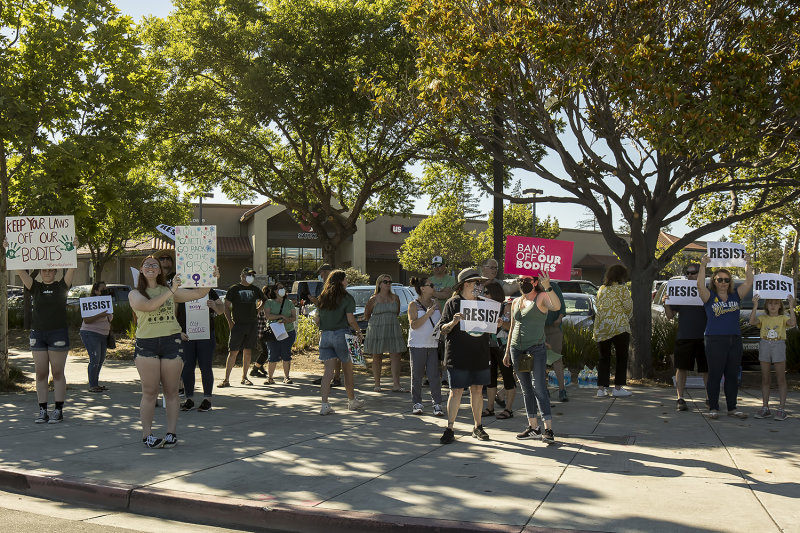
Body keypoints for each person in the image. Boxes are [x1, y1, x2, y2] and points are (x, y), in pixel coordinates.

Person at [128, 256, 217, 448]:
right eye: (147, 264)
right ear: (141, 270)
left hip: (171, 342)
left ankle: (171, 433)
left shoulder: (170, 290)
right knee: (150, 392)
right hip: (146, 345)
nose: (151, 267)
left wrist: (211, 278)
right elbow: (149, 306)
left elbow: (199, 293)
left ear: (160, 271)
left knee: (172, 392)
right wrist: (171, 291)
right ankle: (147, 435)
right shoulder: (135, 293)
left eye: (155, 265)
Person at [7, 249, 77, 424]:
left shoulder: (62, 286)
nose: (46, 272)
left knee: (58, 372)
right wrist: (10, 247)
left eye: (50, 269)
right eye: (44, 270)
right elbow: (19, 270)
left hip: (58, 333)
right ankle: (42, 410)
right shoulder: (35, 287)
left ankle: (58, 410)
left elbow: (71, 267)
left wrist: (73, 247)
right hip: (38, 334)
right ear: (40, 271)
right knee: (40, 374)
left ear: (55, 271)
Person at [437, 268, 499, 444]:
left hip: (479, 353)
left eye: (480, 283)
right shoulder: (453, 303)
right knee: (456, 391)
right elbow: (442, 329)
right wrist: (453, 321)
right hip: (458, 354)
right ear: (466, 284)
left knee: (478, 390)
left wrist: (498, 324)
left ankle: (478, 427)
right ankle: (450, 428)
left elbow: (490, 328)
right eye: (475, 282)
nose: (479, 286)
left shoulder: (484, 303)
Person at [503, 273, 560, 444]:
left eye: (527, 280)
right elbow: (512, 327)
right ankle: (533, 427)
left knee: (539, 388)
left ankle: (548, 429)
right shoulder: (515, 302)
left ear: (535, 282)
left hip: (536, 349)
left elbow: (556, 307)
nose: (523, 283)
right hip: (516, 349)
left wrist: (548, 285)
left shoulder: (541, 297)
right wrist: (507, 352)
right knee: (526, 389)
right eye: (520, 280)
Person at [697, 254, 753, 419]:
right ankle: (713, 407)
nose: (723, 283)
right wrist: (702, 266)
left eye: (726, 280)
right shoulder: (710, 297)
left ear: (730, 282)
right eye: (719, 279)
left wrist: (748, 264)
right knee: (715, 374)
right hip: (715, 340)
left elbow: (749, 282)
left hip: (734, 339)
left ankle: (732, 408)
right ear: (714, 281)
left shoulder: (736, 295)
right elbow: (700, 285)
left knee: (732, 375)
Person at [316, 269, 366, 415]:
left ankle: (324, 404)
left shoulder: (323, 297)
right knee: (348, 370)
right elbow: (351, 320)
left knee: (327, 373)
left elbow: (318, 319)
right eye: (346, 279)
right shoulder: (347, 298)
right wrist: (358, 331)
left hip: (325, 336)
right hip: (342, 335)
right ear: (340, 281)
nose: (347, 281)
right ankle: (351, 400)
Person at [664, 264, 708, 411]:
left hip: (704, 337)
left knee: (706, 370)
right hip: (684, 336)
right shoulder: (680, 293)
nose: (690, 276)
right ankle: (680, 399)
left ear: (700, 274)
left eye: (694, 273)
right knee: (681, 368)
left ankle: (710, 398)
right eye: (687, 273)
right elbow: (670, 316)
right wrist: (666, 303)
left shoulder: (707, 292)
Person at [749, 293, 796, 421]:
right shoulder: (763, 318)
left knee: (781, 378)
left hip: (778, 345)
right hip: (765, 345)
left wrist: (791, 305)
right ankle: (765, 407)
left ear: (780, 305)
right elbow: (752, 321)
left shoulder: (783, 318)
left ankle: (781, 409)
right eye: (770, 303)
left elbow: (792, 323)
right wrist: (755, 305)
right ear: (766, 305)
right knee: (765, 378)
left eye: (776, 303)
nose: (773, 306)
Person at [179, 286, 224, 412]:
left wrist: (214, 306)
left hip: (206, 335)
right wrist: (178, 332)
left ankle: (207, 399)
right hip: (186, 336)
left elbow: (221, 310)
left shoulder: (208, 290)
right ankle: (189, 399)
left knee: (205, 367)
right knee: (187, 368)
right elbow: (173, 313)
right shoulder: (180, 291)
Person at [220, 267, 266, 387]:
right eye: (248, 274)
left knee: (248, 351)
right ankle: (226, 379)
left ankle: (244, 377)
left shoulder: (255, 289)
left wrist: (258, 309)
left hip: (252, 324)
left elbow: (264, 300)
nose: (251, 277)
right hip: (238, 324)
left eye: (252, 275)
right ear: (242, 276)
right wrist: (230, 321)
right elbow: (226, 306)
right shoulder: (234, 289)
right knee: (233, 351)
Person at [593, 264, 634, 398]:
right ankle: (617, 387)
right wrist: (624, 318)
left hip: (602, 328)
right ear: (621, 276)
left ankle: (601, 389)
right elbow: (628, 307)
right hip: (619, 327)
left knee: (603, 358)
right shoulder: (622, 289)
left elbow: (598, 306)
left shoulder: (601, 289)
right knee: (621, 358)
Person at [407, 276, 444, 416]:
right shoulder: (413, 304)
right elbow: (414, 325)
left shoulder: (436, 303)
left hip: (433, 345)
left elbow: (440, 322)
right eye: (431, 285)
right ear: (422, 288)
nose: (433, 287)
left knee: (434, 375)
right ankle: (417, 403)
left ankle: (437, 404)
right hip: (417, 345)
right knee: (417, 375)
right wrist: (428, 313)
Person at [364, 274, 406, 392]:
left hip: (393, 328)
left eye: (389, 281)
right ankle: (377, 384)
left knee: (396, 355)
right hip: (377, 329)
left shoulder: (396, 298)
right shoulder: (373, 299)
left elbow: (396, 313)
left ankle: (396, 384)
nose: (388, 284)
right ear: (379, 284)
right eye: (385, 281)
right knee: (377, 355)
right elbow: (367, 315)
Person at [482, 281, 516, 420]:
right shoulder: (484, 308)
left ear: (494, 293)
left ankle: (508, 409)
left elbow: (512, 327)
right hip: (489, 346)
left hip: (503, 346)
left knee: (508, 378)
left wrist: (502, 323)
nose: (483, 295)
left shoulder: (506, 306)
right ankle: (490, 408)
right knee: (490, 380)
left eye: (486, 292)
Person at [259, 283, 297, 384]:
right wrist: (280, 316)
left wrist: (287, 320)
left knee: (286, 355)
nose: (282, 290)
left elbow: (294, 317)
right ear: (275, 291)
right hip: (273, 333)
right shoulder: (269, 302)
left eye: (283, 288)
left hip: (288, 332)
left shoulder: (289, 302)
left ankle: (286, 377)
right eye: (280, 288)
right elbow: (268, 316)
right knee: (272, 355)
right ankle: (270, 378)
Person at [310, 264, 341, 387]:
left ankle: (336, 377)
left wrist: (316, 302)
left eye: (322, 273)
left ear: (328, 272)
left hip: (334, 325)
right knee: (327, 352)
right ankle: (328, 376)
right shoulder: (323, 286)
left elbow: (329, 307)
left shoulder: (334, 288)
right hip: (325, 324)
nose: (320, 275)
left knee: (336, 353)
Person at [80, 281, 113, 393]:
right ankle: (93, 385)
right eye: (102, 289)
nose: (105, 291)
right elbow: (86, 320)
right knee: (95, 359)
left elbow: (110, 318)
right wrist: (101, 314)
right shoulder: (90, 303)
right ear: (96, 291)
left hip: (104, 335)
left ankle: (96, 384)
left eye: (106, 289)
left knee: (100, 359)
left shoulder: (107, 301)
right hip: (90, 333)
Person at [429, 256, 456, 385]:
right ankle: (431, 375)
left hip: (447, 316)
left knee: (446, 347)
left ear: (445, 266)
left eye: (439, 265)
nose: (437, 268)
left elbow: (447, 295)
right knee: (431, 347)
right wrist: (440, 292)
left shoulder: (451, 279)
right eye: (434, 265)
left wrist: (433, 292)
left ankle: (445, 376)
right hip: (432, 317)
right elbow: (426, 294)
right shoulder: (429, 280)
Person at [544, 282, 569, 402]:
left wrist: (559, 318)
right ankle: (544, 390)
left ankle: (562, 390)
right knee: (540, 361)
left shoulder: (553, 286)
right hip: (539, 329)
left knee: (557, 359)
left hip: (553, 328)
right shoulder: (533, 286)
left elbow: (562, 306)